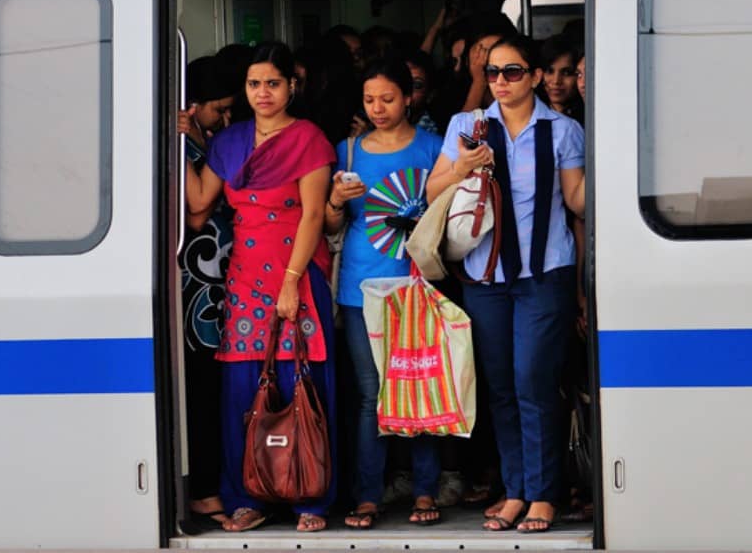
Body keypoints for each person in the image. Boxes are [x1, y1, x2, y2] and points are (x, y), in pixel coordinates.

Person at [425, 34, 586, 533]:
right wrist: (461, 168)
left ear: (535, 76)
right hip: (484, 274)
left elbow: (577, 202)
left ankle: (543, 493)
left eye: (512, 72)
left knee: (532, 381)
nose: (500, 82)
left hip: (545, 274)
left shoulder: (562, 130)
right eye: (493, 73)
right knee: (499, 387)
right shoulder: (466, 126)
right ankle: (515, 491)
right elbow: (432, 189)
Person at [181, 42, 339, 534]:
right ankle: (248, 495)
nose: (263, 93)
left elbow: (314, 214)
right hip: (246, 278)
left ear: (292, 85)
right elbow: (199, 203)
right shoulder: (229, 143)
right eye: (254, 84)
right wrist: (176, 143)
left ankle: (312, 496)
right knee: (244, 391)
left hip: (296, 273)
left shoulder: (308, 139)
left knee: (304, 386)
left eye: (273, 83)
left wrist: (291, 283)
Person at [324, 56, 447, 529]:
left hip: (418, 285)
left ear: (409, 97)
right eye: (369, 99)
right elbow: (333, 224)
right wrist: (336, 200)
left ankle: (424, 491)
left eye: (388, 99)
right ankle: (368, 495)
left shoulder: (434, 148)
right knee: (370, 394)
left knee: (420, 385)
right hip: (361, 286)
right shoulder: (348, 151)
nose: (377, 108)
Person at [179, 55, 237, 530]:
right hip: (196, 285)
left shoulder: (206, 137)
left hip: (219, 282)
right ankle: (202, 490)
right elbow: (196, 210)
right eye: (219, 109)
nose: (226, 118)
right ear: (193, 105)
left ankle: (216, 482)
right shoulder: (180, 142)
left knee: (216, 387)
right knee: (200, 386)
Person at [537, 35, 583, 124]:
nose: (556, 81)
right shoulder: (530, 115)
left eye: (566, 73)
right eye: (549, 71)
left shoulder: (591, 118)